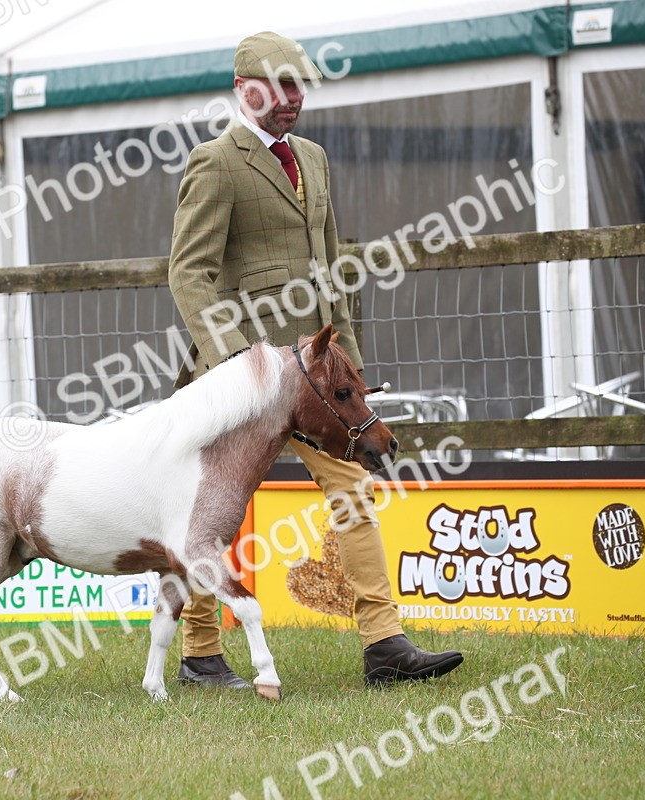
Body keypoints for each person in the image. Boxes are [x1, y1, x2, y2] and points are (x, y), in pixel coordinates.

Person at [166, 31, 464, 688]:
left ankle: (385, 644)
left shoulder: (314, 158)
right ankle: (200, 653)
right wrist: (232, 364)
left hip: (319, 381)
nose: (291, 98)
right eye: (277, 87)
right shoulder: (215, 163)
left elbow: (332, 273)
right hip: (246, 379)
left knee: (354, 491)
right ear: (243, 89)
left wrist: (348, 368)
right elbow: (190, 274)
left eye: (298, 85)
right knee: (211, 512)